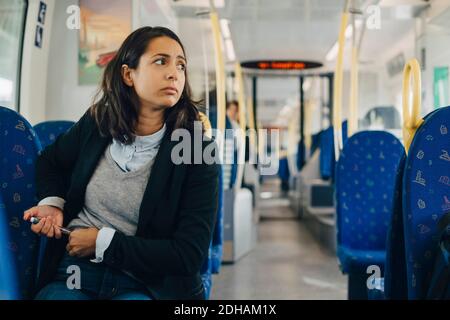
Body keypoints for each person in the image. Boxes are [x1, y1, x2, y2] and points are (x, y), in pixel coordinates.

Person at [23, 26, 219, 300]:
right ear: (128, 74)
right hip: (76, 271)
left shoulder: (197, 151)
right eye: (161, 61)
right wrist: (52, 204)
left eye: (181, 65)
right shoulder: (98, 123)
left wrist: (102, 242)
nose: (174, 73)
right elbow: (50, 161)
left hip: (147, 283)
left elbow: (188, 254)